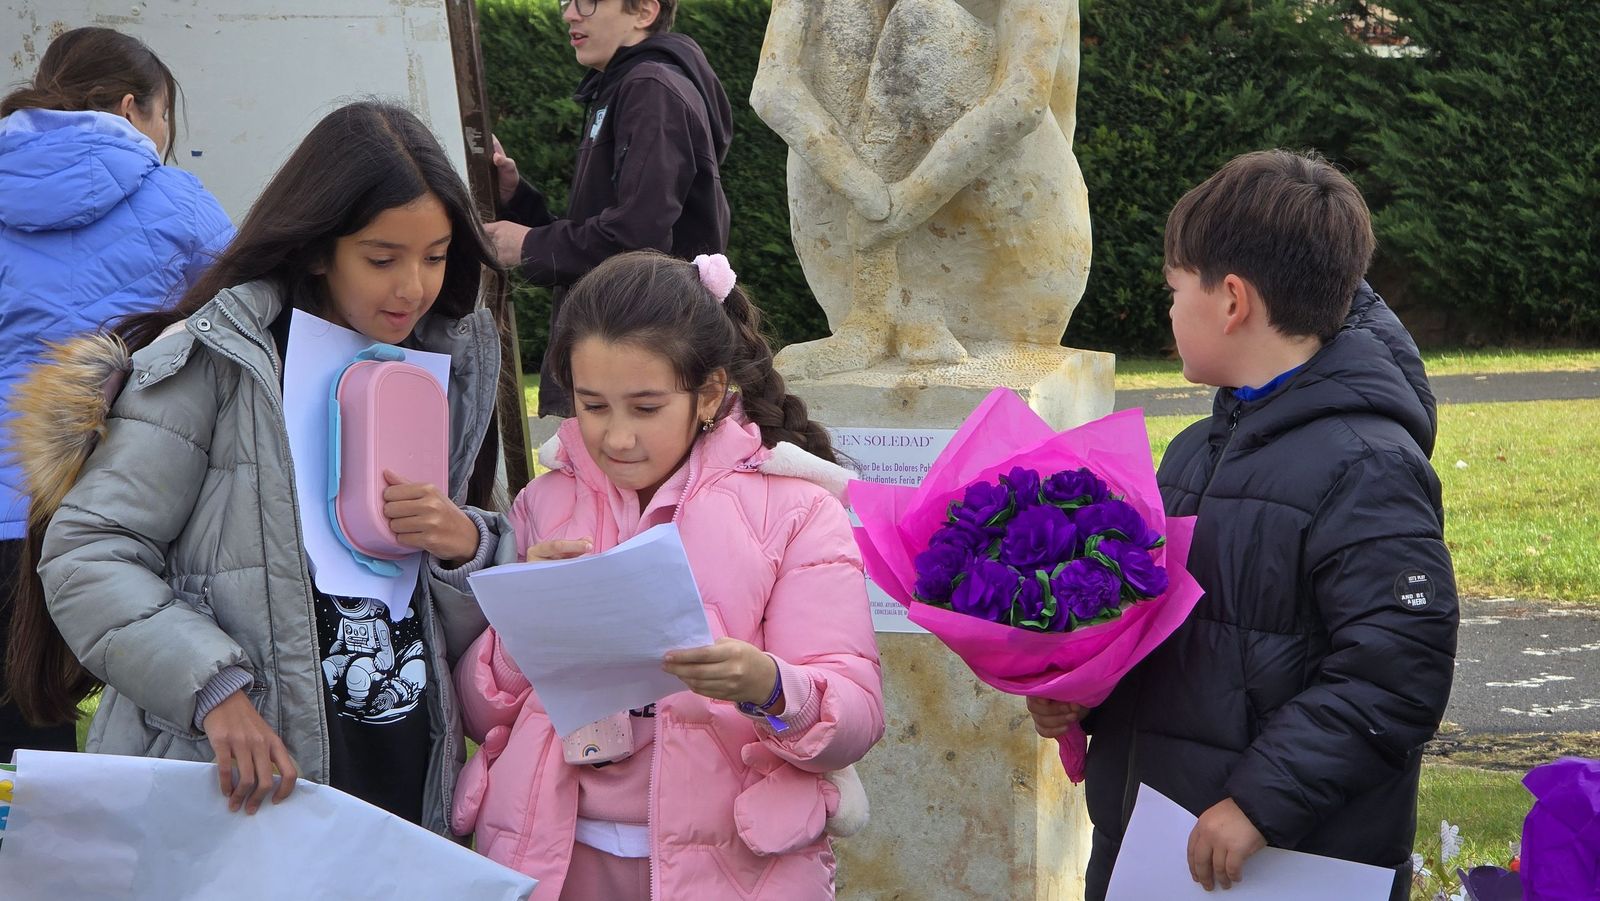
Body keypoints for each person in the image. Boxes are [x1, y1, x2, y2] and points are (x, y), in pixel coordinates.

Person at [6, 101, 508, 833]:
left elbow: (449, 625)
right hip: (241, 796)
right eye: (382, 258)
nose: (413, 287)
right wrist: (213, 690)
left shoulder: (451, 360)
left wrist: (467, 548)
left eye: (435, 257)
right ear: (315, 247)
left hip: (407, 789)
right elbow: (87, 553)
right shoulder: (212, 363)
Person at [1027, 150, 1458, 900]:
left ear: (1231, 300)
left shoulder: (1367, 463)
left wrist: (1262, 802)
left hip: (1283, 861)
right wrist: (1084, 691)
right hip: (1152, 849)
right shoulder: (1197, 450)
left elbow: (1397, 668)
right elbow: (1163, 632)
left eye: (1173, 289)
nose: (1168, 309)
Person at [452, 250, 883, 899]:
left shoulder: (796, 512)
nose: (616, 436)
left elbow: (854, 714)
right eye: (593, 406)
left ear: (708, 392)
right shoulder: (545, 502)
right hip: (555, 860)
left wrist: (767, 685)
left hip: (736, 869)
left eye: (645, 407)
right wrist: (523, 621)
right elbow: (484, 715)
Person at [0, 26, 233, 761]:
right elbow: (248, 322)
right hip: (102, 511)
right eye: (165, 116)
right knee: (105, 724)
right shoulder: (181, 204)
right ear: (134, 108)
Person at [484, 0, 733, 416]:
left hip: (635, 370)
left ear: (644, 11)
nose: (569, 14)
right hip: (629, 367)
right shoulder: (625, 86)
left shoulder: (649, 86)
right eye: (566, 1)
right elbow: (602, 244)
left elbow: (636, 237)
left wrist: (529, 244)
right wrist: (517, 200)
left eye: (587, 1)